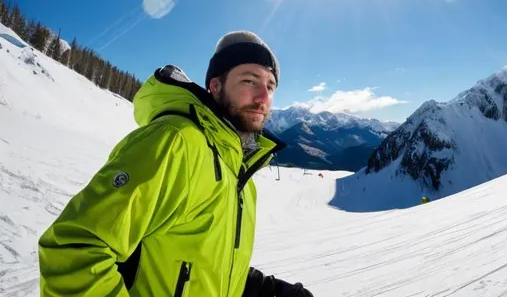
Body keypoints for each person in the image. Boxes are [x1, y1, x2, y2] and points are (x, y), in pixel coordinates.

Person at [38, 31, 314, 297]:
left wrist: (265, 290)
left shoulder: (238, 171)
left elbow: (204, 264)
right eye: (249, 81)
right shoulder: (175, 142)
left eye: (270, 86)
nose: (263, 98)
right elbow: (74, 250)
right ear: (216, 87)